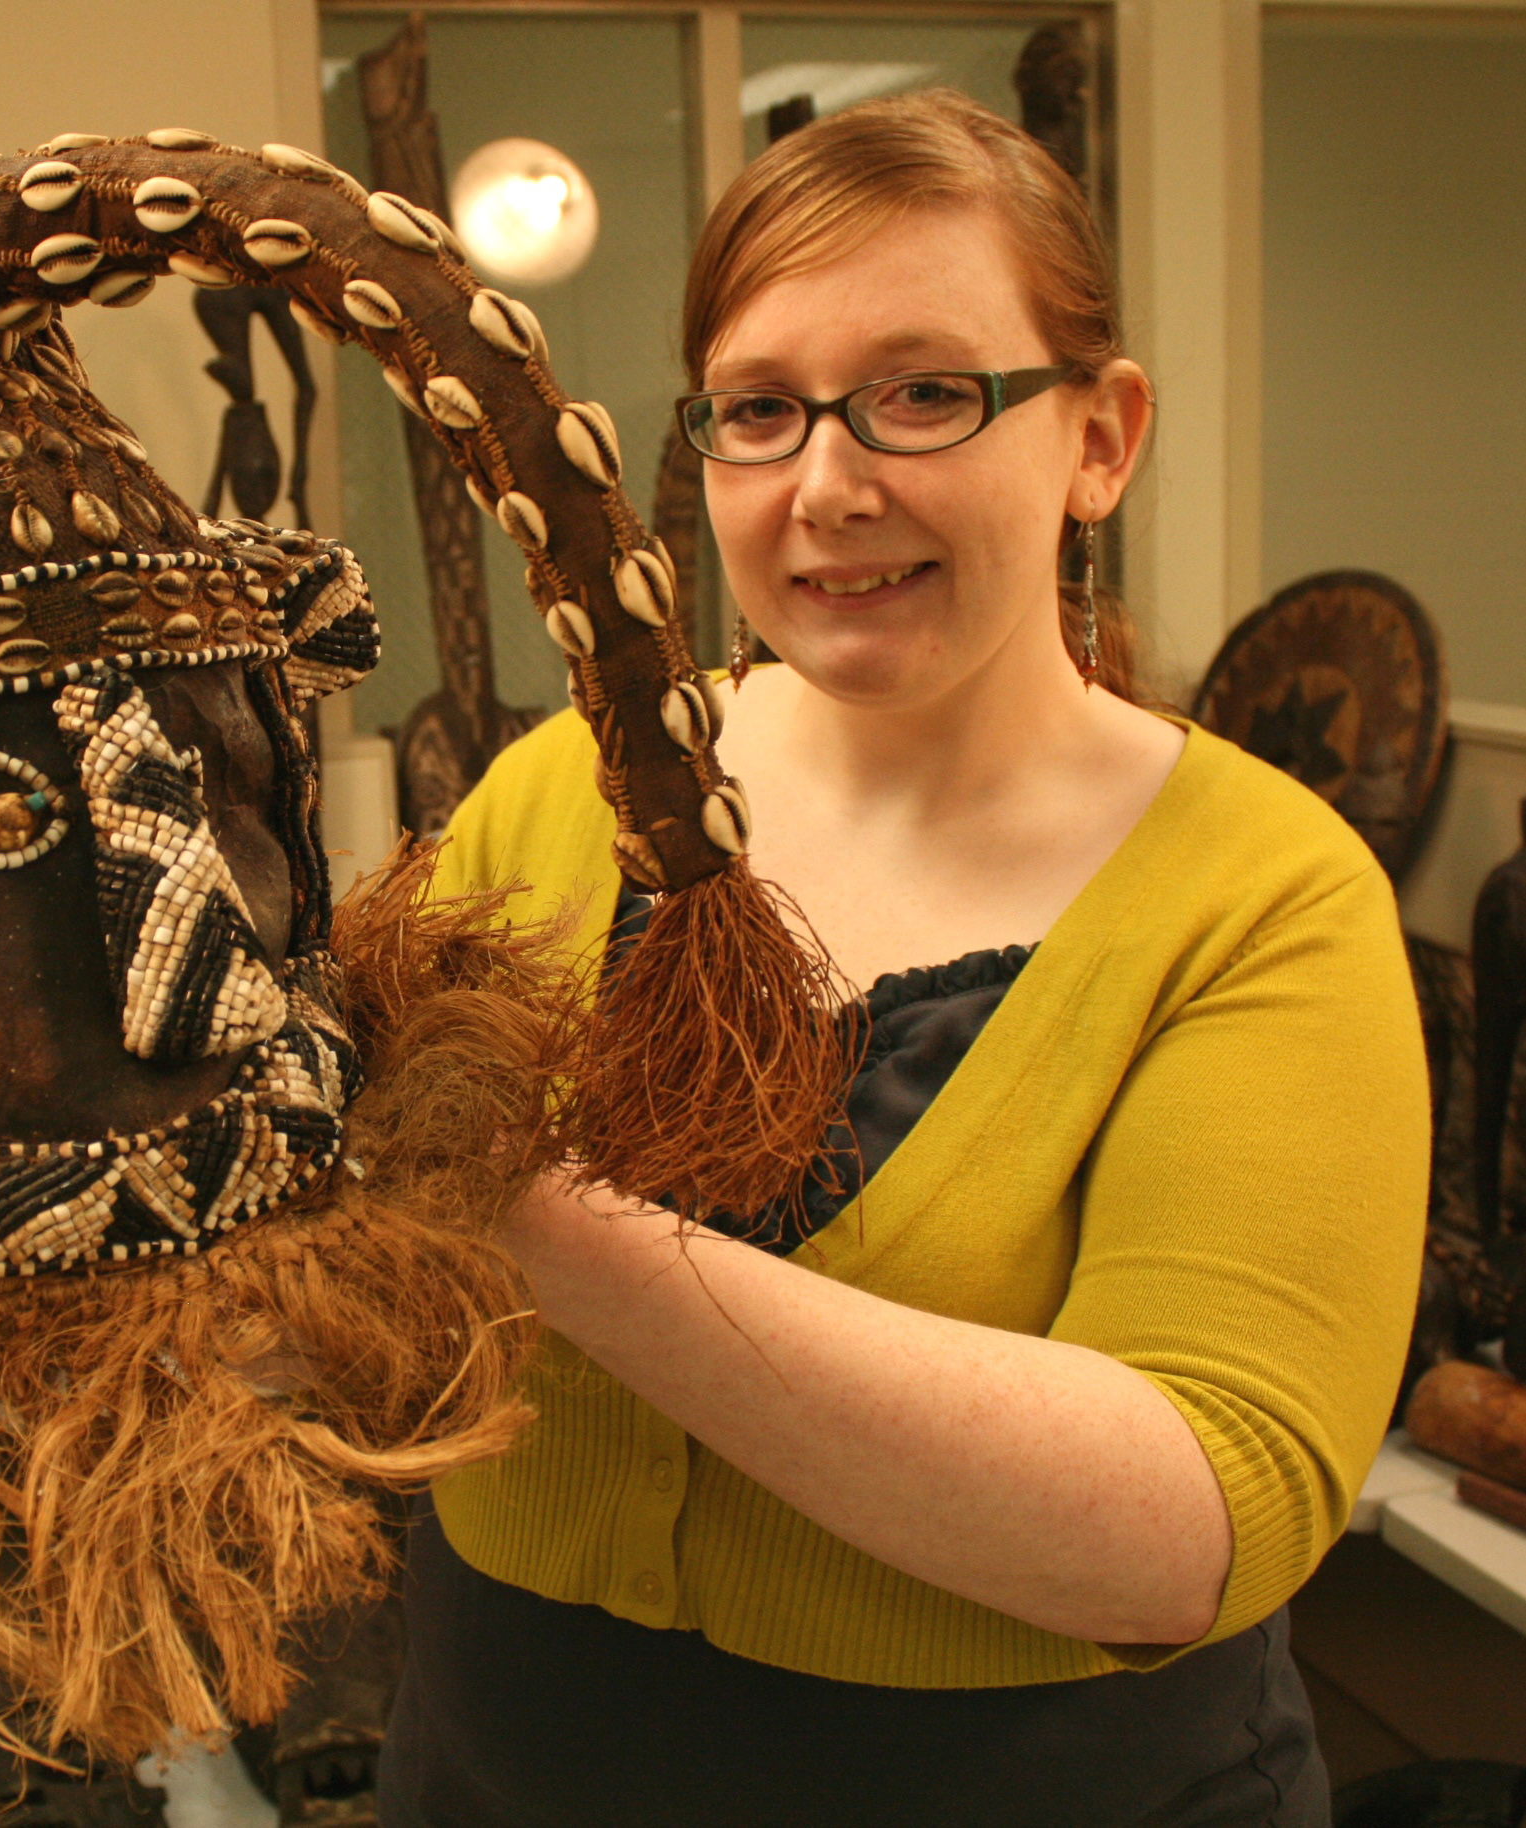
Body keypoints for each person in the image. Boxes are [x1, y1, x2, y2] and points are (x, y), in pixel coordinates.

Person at [378, 90, 1426, 1828]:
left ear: (1101, 437)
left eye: (925, 392)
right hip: (498, 1753)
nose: (827, 485)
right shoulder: (554, 794)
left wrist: (527, 1211)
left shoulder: (1262, 898)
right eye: (758, 410)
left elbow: (1192, 1522)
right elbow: (389, 1304)